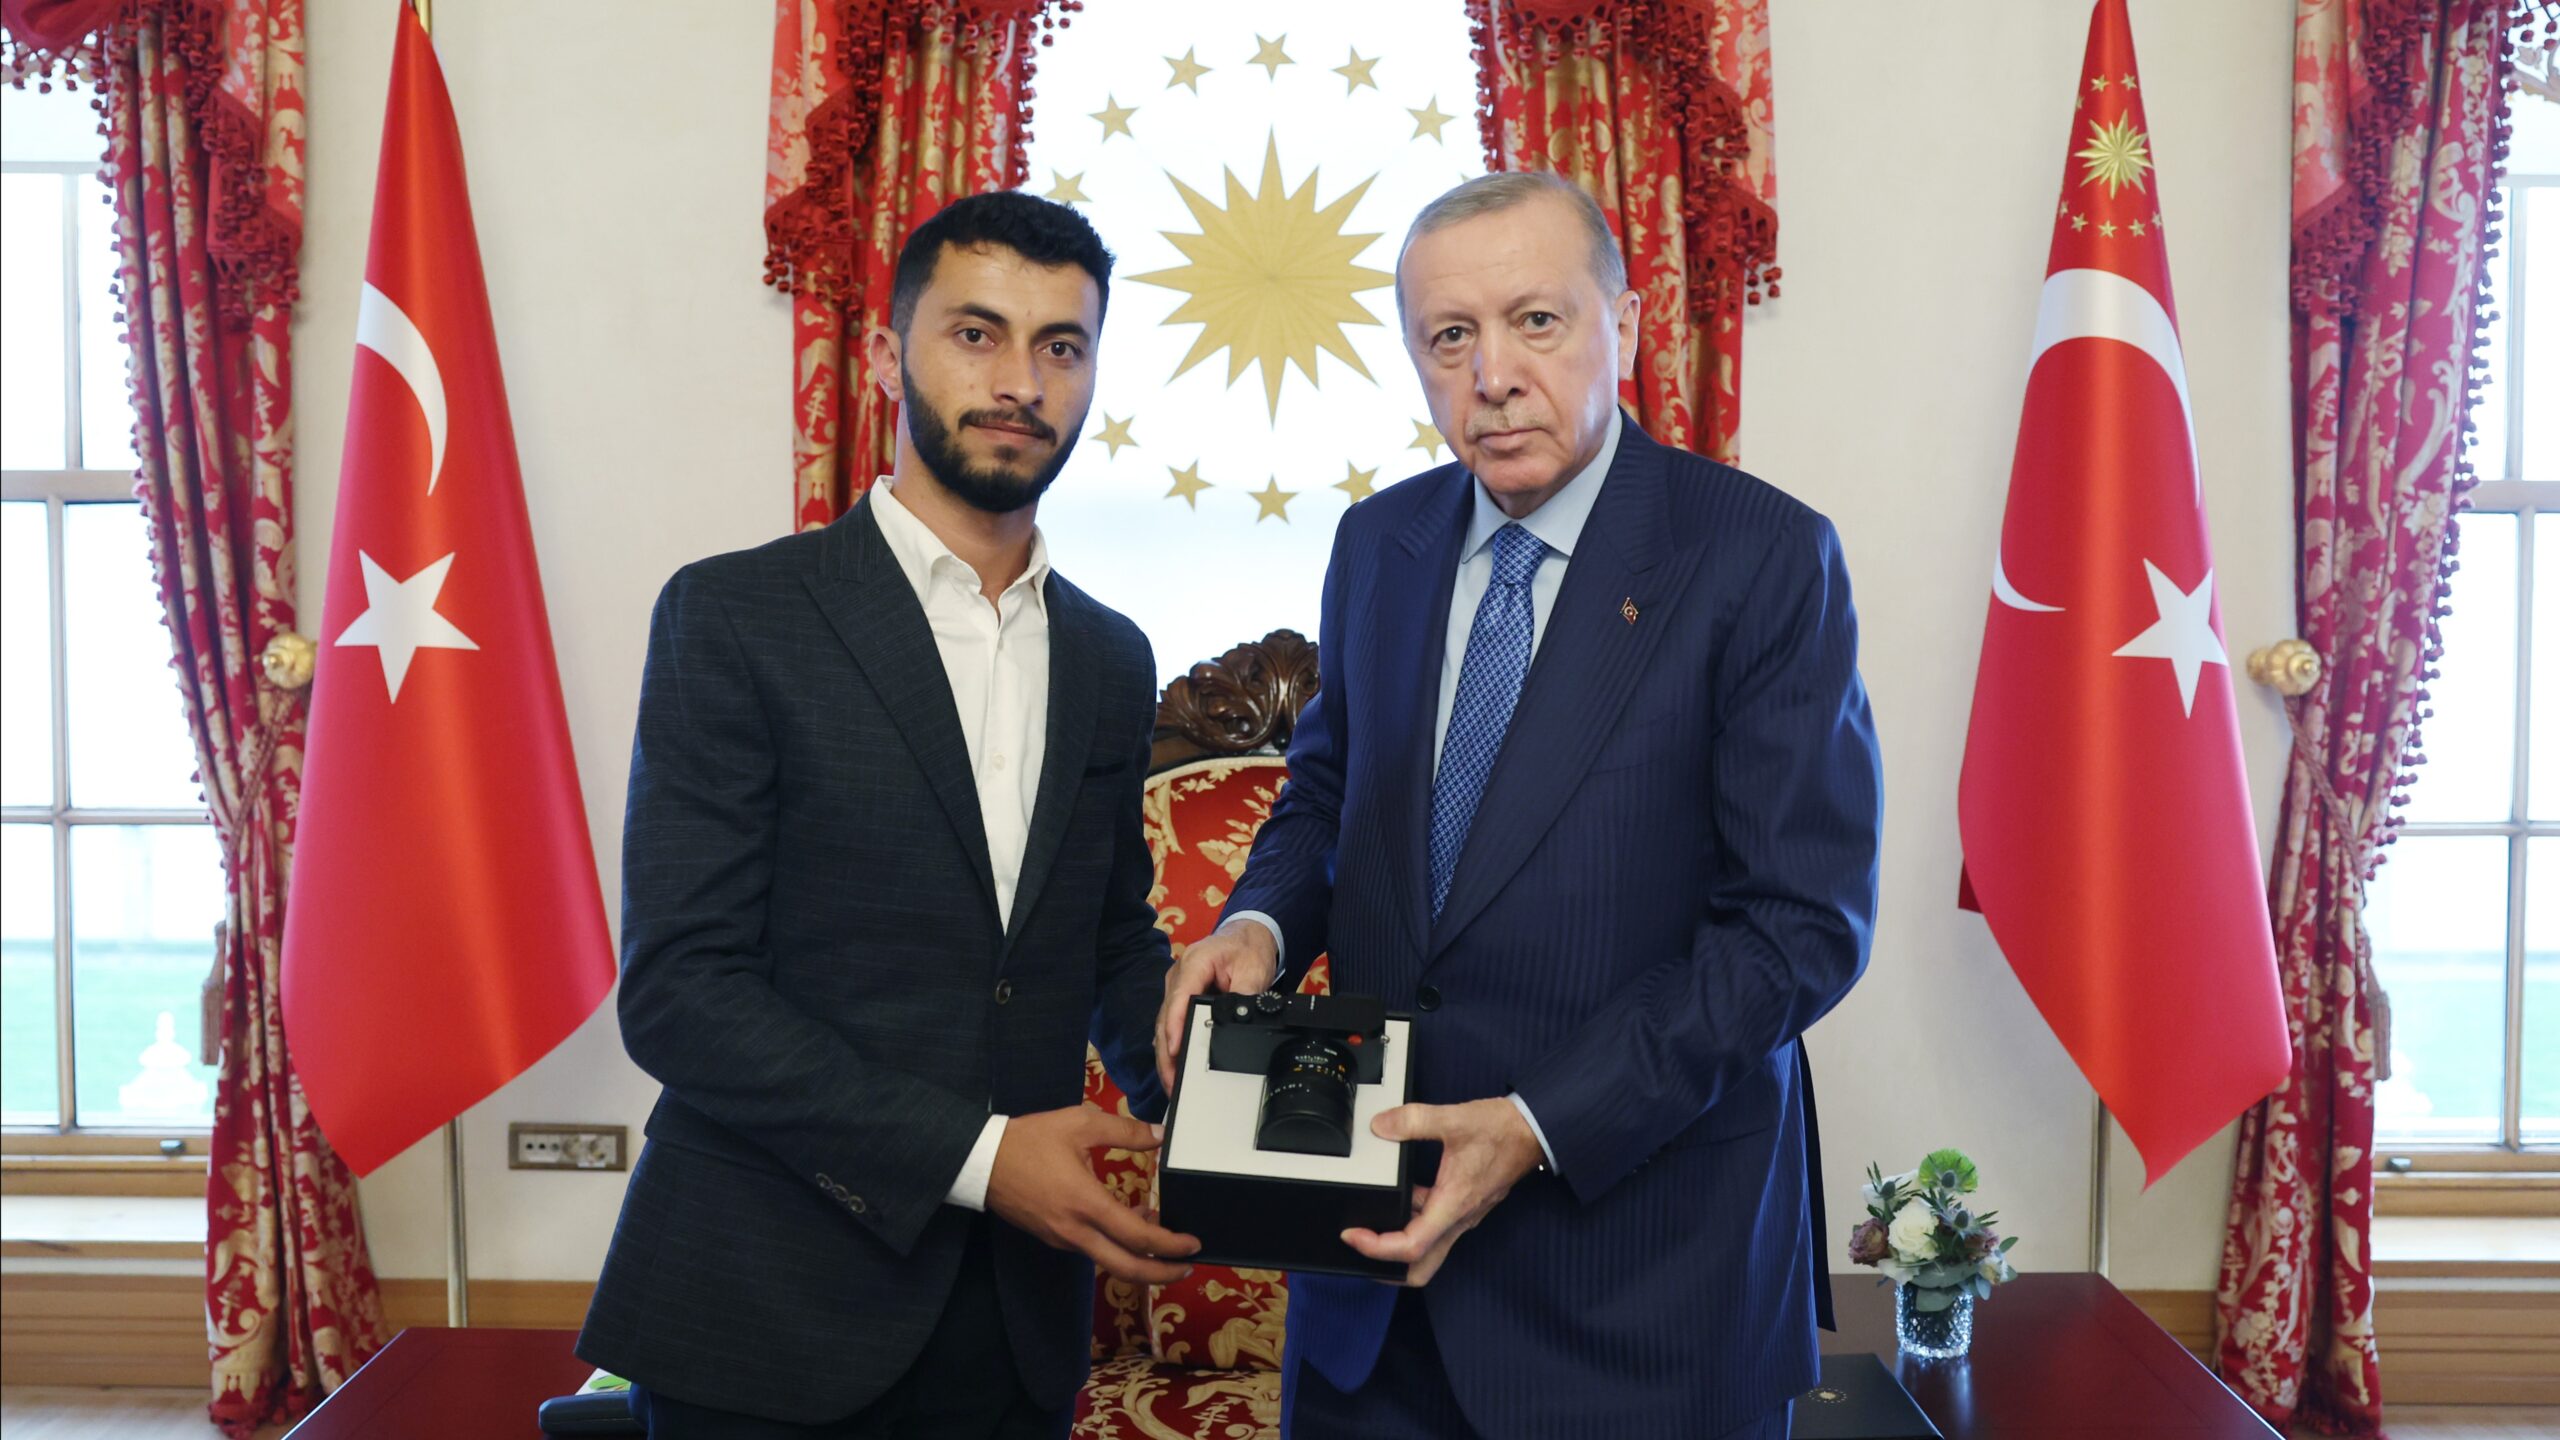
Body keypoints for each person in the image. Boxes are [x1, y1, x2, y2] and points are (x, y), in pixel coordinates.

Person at [1157, 171, 1883, 1440]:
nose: (1491, 375)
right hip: (1371, 1291)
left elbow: (1798, 928)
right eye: (1449, 338)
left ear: (1625, 323)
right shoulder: (1376, 544)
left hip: (1639, 1297)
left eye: (1535, 321)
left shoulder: (1761, 556)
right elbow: (1327, 792)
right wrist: (1260, 924)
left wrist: (1545, 1123)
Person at [581, 191, 1197, 1439]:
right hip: (765, 1308)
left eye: (1061, 346)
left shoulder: (1110, 655)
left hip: (1016, 1323)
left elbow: (1101, 942)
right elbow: (681, 992)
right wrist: (980, 1158)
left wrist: (1223, 1085)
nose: (1020, 382)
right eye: (976, 334)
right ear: (883, 354)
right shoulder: (735, 616)